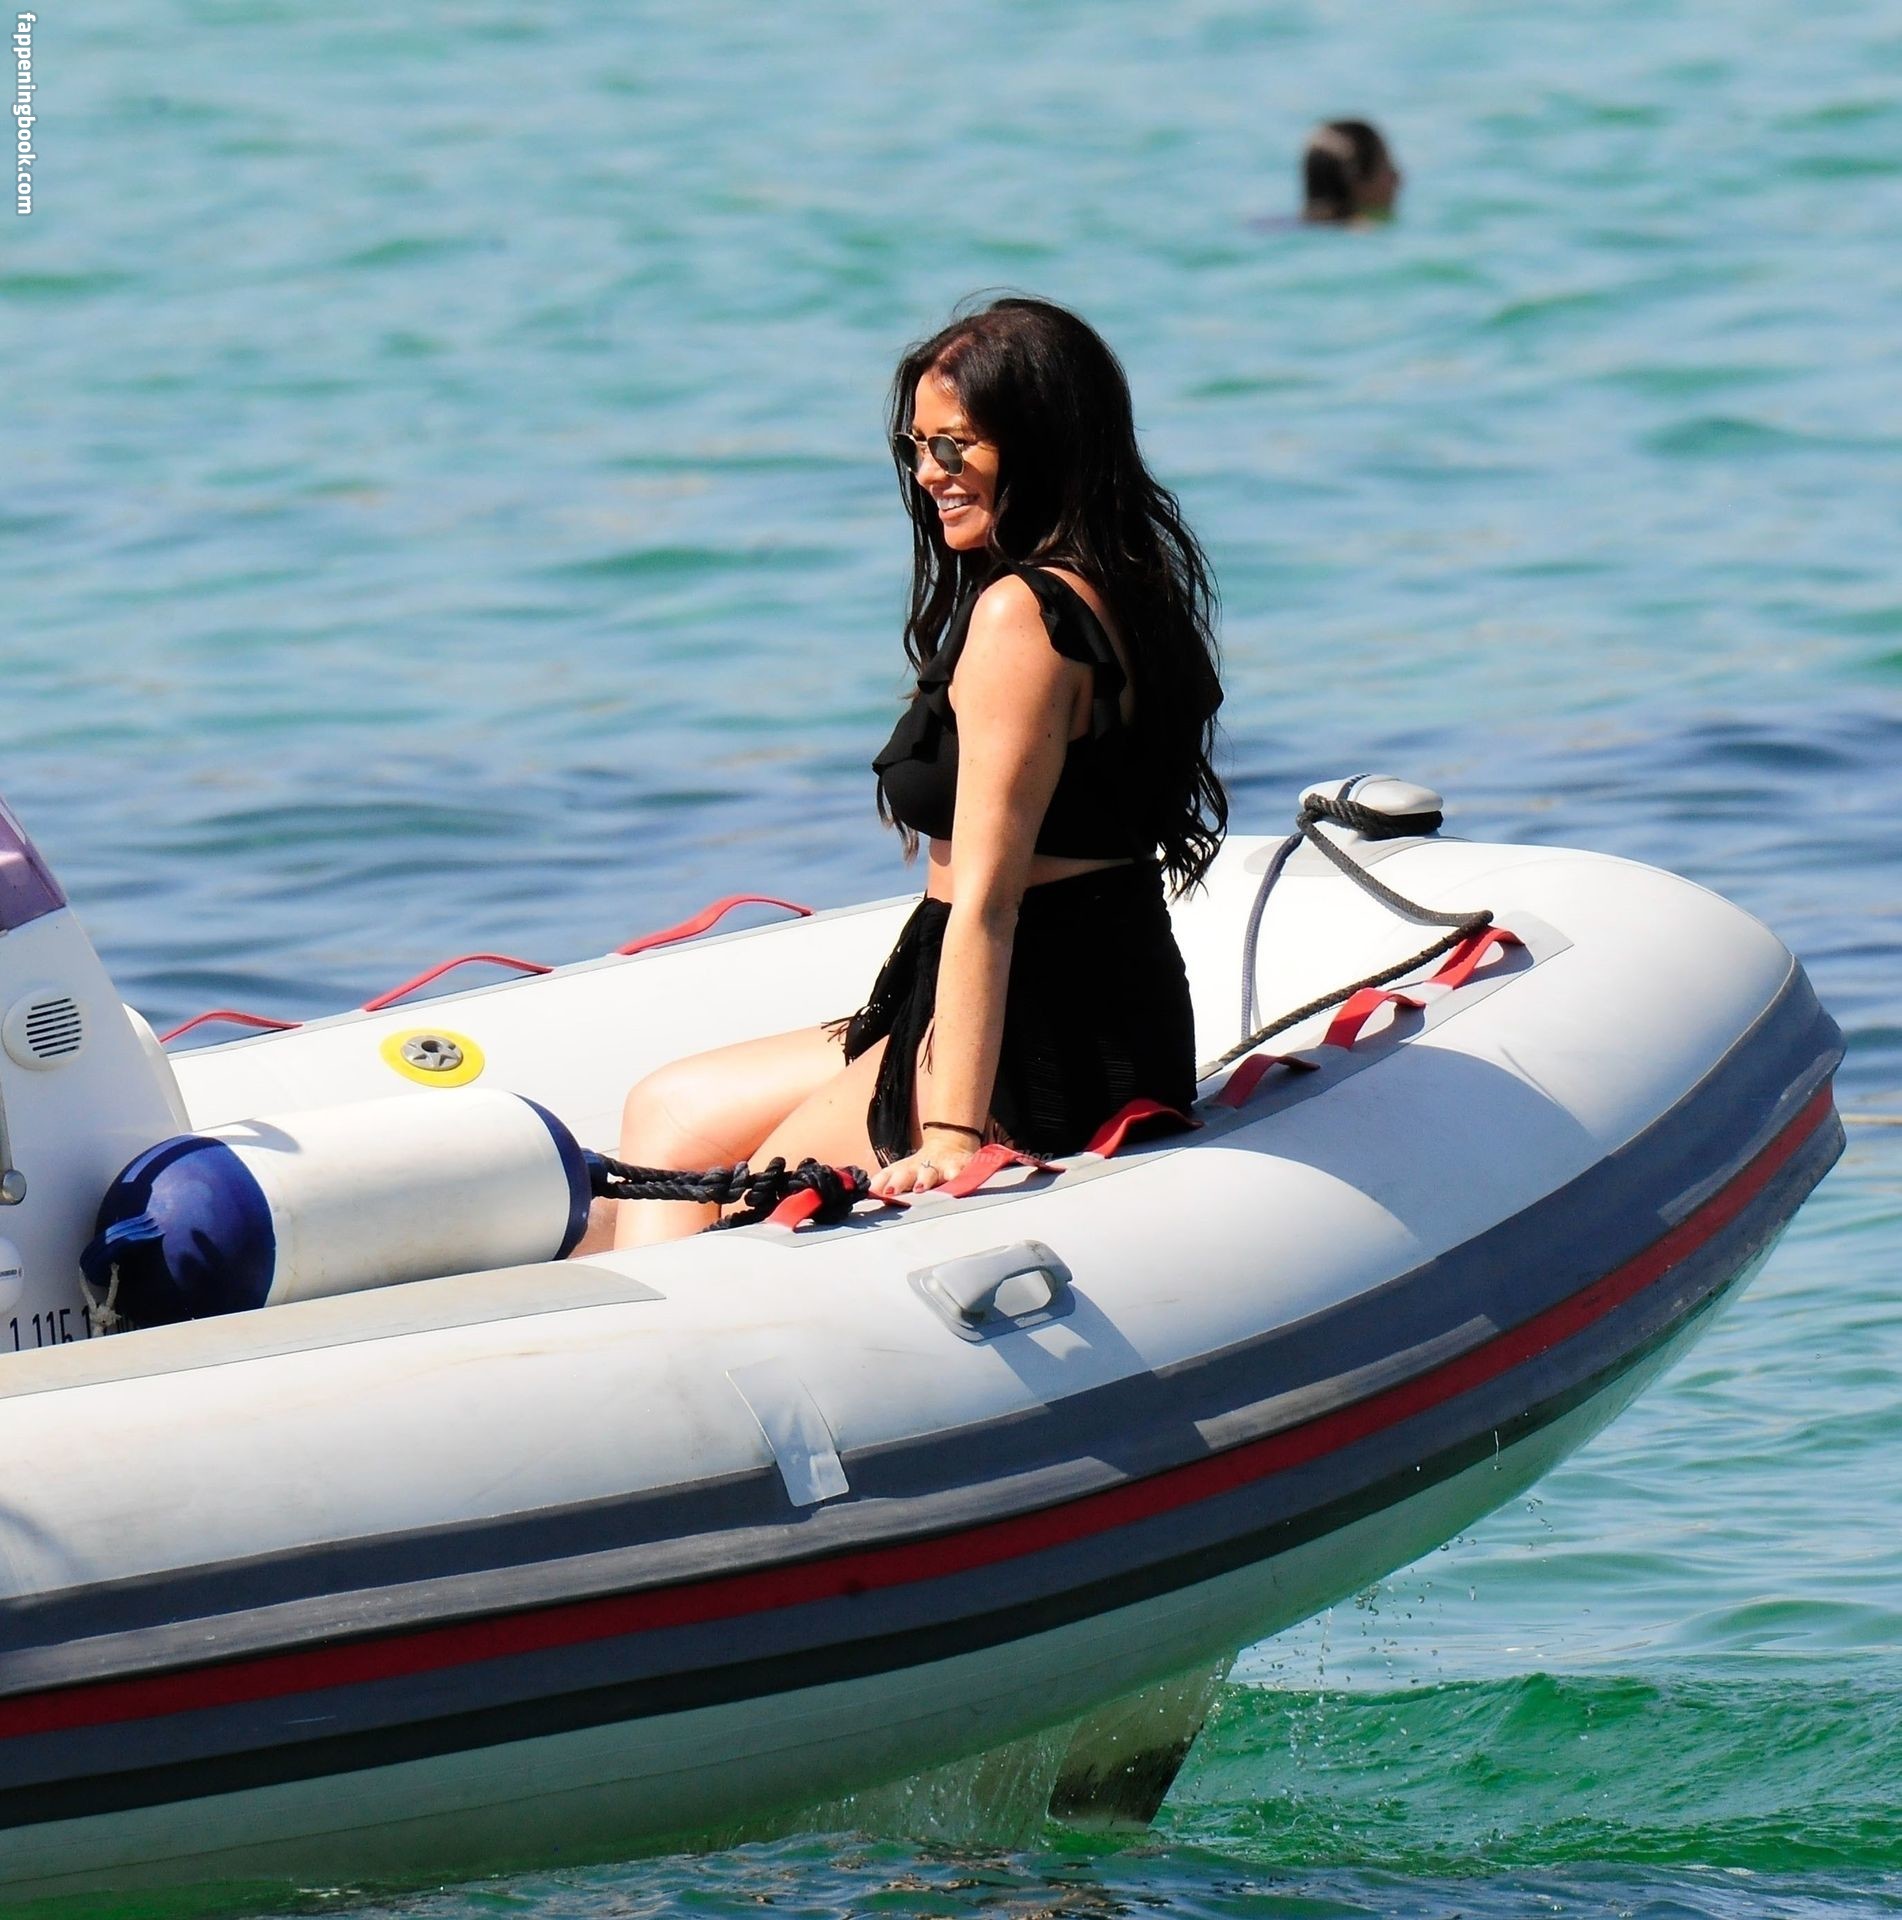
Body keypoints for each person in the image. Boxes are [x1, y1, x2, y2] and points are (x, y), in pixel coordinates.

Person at [605, 296, 1227, 1248]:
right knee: (669, 1109)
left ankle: (661, 1330)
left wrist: (950, 1137)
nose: (930, 473)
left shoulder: (1025, 617)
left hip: (1039, 1029)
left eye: (955, 446)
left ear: (1039, 443)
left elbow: (989, 902)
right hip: (1058, 994)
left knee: (738, 1216)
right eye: (917, 447)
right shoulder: (1125, 585)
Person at [1302, 120, 1401, 224]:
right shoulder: (1365, 226)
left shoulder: (1302, 222)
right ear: (1357, 177)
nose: (1397, 177)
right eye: (1386, 166)